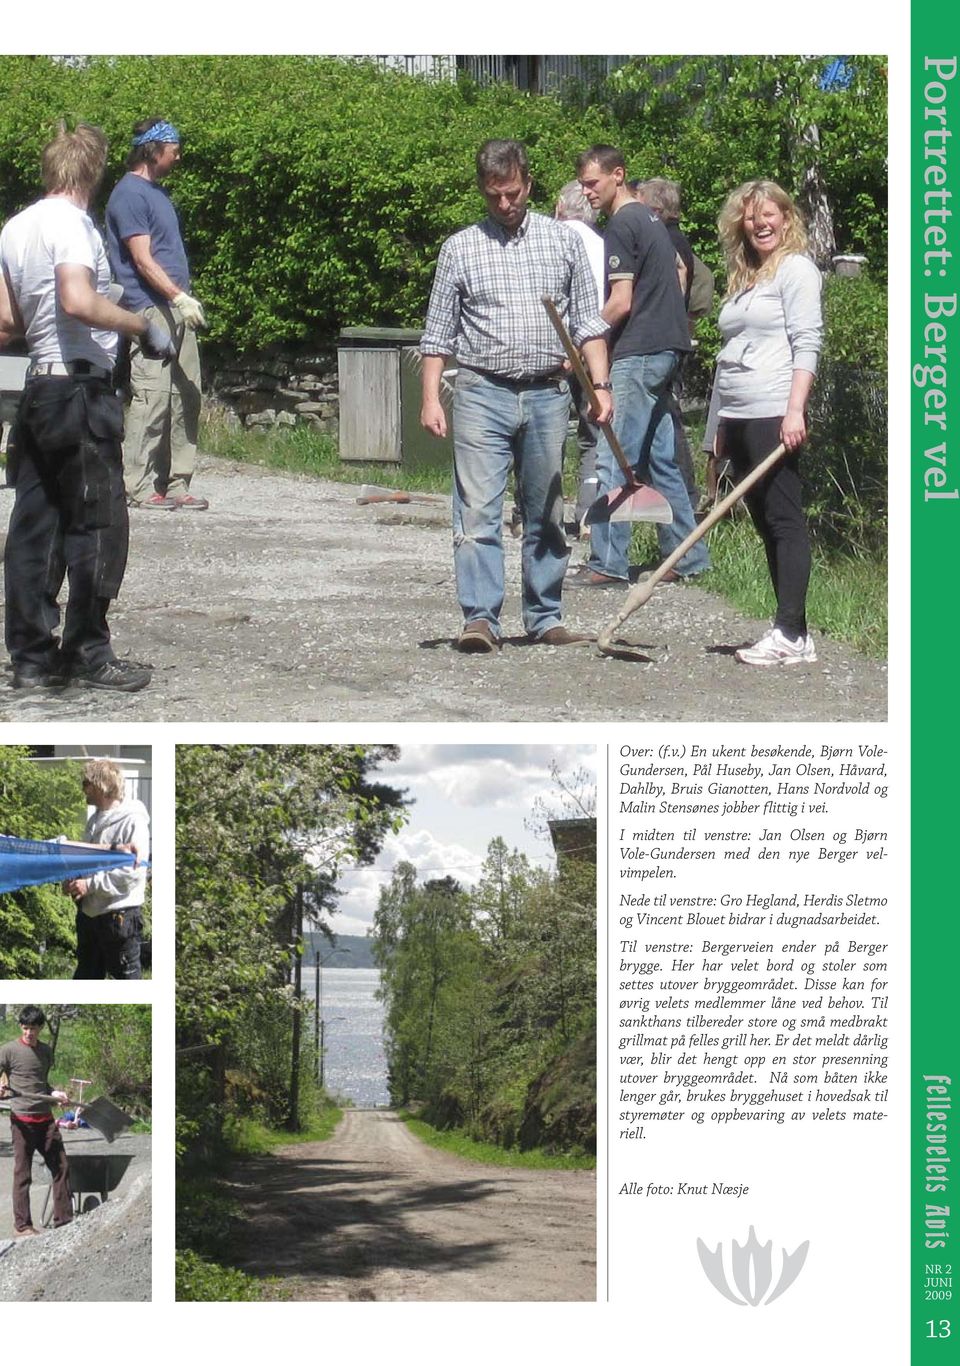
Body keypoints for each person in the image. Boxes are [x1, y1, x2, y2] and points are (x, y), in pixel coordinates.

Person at [0, 121, 176, 694]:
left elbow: (7, 323)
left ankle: (30, 658)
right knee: (99, 524)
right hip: (80, 392)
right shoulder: (73, 224)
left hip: (37, 390)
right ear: (92, 172)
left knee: (35, 526)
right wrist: (139, 324)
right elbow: (77, 300)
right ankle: (88, 654)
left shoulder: (15, 228)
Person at [419, 139, 612, 652]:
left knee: (545, 508)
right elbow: (438, 332)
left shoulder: (563, 242)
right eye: (492, 196)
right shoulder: (460, 248)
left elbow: (589, 324)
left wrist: (600, 385)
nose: (504, 204)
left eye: (511, 193)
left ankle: (544, 615)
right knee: (477, 509)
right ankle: (480, 618)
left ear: (528, 182)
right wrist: (431, 398)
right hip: (482, 390)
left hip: (548, 393)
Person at [569, 145, 708, 591]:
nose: (586, 191)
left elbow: (620, 302)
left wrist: (581, 336)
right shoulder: (652, 221)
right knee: (663, 461)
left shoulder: (623, 224)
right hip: (668, 350)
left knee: (615, 457)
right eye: (584, 184)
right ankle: (688, 558)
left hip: (641, 353)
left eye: (593, 183)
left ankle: (608, 562)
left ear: (618, 175)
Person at [705, 179, 823, 666]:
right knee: (764, 523)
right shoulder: (745, 278)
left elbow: (807, 341)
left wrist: (796, 409)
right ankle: (791, 629)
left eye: (769, 214)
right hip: (739, 412)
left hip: (774, 410)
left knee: (783, 519)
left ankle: (790, 632)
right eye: (752, 217)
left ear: (787, 217)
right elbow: (728, 356)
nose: (761, 223)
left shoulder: (796, 270)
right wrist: (717, 425)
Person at [105, 118, 207, 511]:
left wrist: (181, 302)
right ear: (153, 150)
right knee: (152, 398)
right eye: (173, 147)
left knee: (186, 395)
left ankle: (177, 483)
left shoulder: (157, 194)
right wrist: (178, 297)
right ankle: (140, 486)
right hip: (149, 308)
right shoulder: (129, 195)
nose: (178, 154)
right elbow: (142, 260)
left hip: (176, 308)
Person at [630, 177, 700, 507]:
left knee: (666, 427)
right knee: (664, 427)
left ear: (654, 210)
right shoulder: (674, 239)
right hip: (670, 339)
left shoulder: (666, 241)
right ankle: (683, 523)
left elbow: (678, 283)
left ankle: (681, 498)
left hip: (658, 341)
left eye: (637, 203)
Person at [64, 758, 149, 979]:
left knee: (126, 982)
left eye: (86, 783)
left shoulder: (133, 821)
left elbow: (132, 872)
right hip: (89, 916)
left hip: (118, 917)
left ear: (100, 785)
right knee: (85, 979)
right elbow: (87, 860)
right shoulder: (93, 821)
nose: (83, 789)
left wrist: (89, 884)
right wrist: (74, 880)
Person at [554, 180, 605, 535]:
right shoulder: (604, 244)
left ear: (560, 205)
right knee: (592, 433)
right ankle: (589, 513)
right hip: (596, 346)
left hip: (556, 349)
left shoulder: (548, 239)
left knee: (546, 433)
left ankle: (540, 514)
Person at [0, 1006, 71, 1234]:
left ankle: (64, 1222)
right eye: (25, 1027)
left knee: (61, 1167)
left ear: (41, 1028)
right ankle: (23, 1226)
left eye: (33, 1028)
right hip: (22, 1120)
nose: (29, 1032)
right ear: (21, 1026)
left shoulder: (46, 1051)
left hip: (46, 1120)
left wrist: (55, 1094)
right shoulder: (8, 1050)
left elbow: (43, 1085)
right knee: (23, 1174)